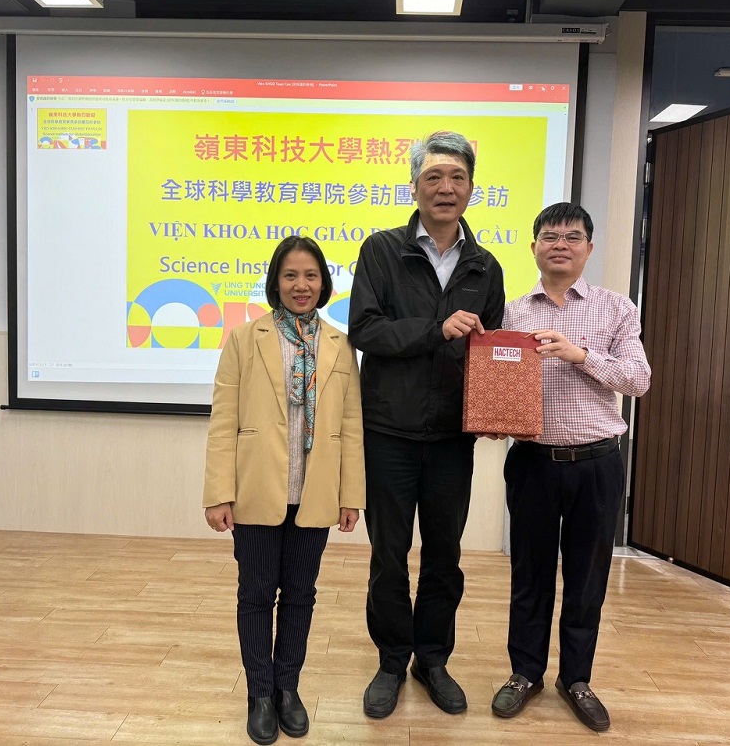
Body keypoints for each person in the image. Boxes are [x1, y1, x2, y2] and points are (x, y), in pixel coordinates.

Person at [348, 131, 505, 718]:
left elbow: (491, 352)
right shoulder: (381, 250)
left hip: (450, 439)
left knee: (444, 555)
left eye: (457, 177)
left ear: (471, 188)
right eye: (434, 177)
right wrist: (434, 330)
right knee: (388, 555)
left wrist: (495, 407)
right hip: (388, 431)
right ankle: (392, 660)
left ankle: (432, 659)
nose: (446, 188)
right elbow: (365, 330)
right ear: (414, 186)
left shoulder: (485, 265)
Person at [488, 202, 650, 731]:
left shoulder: (615, 308)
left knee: (586, 579)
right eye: (550, 236)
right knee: (529, 575)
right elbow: (495, 380)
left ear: (589, 248)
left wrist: (579, 355)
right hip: (532, 462)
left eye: (572, 236)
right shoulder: (513, 313)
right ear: (534, 246)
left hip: (597, 464)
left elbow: (638, 380)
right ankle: (525, 673)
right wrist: (491, 414)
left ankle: (576, 678)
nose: (561, 244)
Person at [203, 235, 365, 745]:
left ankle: (288, 687)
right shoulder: (244, 338)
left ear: (324, 283)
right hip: (255, 489)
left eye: (311, 275)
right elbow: (223, 420)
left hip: (315, 492)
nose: (301, 285)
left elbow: (352, 426)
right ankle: (260, 694)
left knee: (300, 595)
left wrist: (351, 494)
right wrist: (218, 492)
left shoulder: (339, 344)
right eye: (291, 275)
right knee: (255, 595)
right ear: (276, 282)